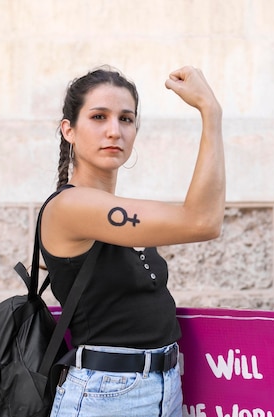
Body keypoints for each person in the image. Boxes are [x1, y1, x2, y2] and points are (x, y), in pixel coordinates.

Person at [39, 65, 225, 417]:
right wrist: (210, 112)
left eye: (126, 119)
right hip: (106, 394)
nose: (114, 131)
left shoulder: (113, 212)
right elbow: (203, 222)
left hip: (163, 386)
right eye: (98, 117)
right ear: (69, 130)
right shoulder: (71, 205)